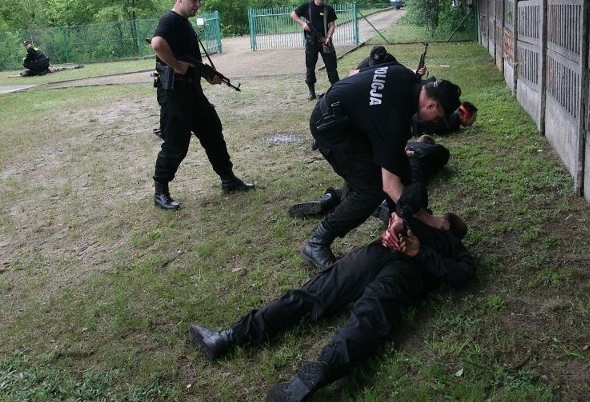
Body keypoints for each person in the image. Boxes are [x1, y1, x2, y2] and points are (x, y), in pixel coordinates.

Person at [188, 184, 477, 402]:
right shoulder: (422, 221)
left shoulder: (448, 242)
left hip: (389, 265)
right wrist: (402, 221)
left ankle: (226, 338)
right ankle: (325, 367)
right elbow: (414, 190)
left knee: (311, 297)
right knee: (368, 317)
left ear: (449, 226)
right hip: (397, 271)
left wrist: (420, 249)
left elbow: (463, 275)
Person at [300, 62, 462, 269]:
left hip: (348, 117)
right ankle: (317, 242)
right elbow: (390, 186)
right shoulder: (394, 117)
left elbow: (355, 73)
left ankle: (399, 220)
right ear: (431, 105)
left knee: (399, 165)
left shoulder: (404, 75)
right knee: (372, 188)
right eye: (437, 118)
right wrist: (428, 219)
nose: (434, 123)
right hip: (333, 129)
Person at [149, 0, 254, 210]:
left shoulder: (184, 23)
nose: (197, 4)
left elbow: (191, 60)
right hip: (175, 95)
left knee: (212, 132)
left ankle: (228, 179)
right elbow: (157, 44)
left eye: (199, 0)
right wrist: (176, 65)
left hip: (192, 92)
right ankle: (161, 192)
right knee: (176, 145)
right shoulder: (169, 20)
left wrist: (207, 75)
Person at [288, 134, 450, 219]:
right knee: (408, 192)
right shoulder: (427, 150)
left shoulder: (403, 143)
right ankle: (386, 208)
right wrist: (418, 152)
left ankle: (328, 199)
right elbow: (443, 153)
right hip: (411, 169)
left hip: (385, 169)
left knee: (362, 189)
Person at [290, 0, 339, 100]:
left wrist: (328, 37)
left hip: (325, 42)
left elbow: (332, 25)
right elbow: (293, 14)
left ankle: (336, 90)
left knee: (331, 67)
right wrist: (303, 24)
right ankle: (311, 92)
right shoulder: (307, 6)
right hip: (311, 42)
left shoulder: (328, 9)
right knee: (310, 68)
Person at [413, 100, 478, 136]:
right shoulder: (451, 125)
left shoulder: (450, 115)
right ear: (466, 116)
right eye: (473, 117)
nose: (474, 120)